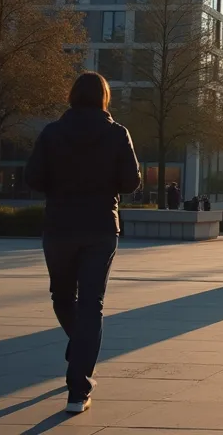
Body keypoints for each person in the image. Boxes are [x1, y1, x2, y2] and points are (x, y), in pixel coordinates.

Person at [24, 72, 142, 415]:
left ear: (72, 96)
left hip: (60, 225)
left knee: (62, 297)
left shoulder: (51, 133)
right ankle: (79, 387)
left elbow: (33, 178)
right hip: (100, 226)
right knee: (92, 304)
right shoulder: (117, 133)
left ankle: (79, 354)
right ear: (104, 97)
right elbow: (131, 181)